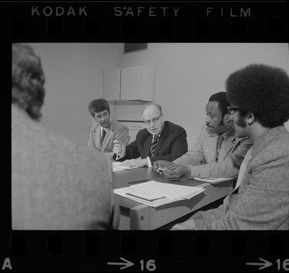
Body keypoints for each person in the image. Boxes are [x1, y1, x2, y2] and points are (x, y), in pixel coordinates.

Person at [12, 43, 119, 230]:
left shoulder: (120, 129)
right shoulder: (94, 155)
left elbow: (120, 152)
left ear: (109, 113)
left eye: (104, 114)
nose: (102, 119)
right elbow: (92, 152)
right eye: (98, 116)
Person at [171, 64, 289, 230]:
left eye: (232, 110)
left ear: (249, 116)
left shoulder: (278, 157)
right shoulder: (263, 148)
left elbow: (238, 225)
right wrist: (193, 222)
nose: (230, 117)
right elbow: (233, 209)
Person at [153, 92, 252, 180]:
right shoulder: (206, 130)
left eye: (212, 116)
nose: (207, 120)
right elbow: (194, 155)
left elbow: (230, 168)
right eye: (207, 115)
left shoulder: (244, 135)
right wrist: (173, 165)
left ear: (228, 117)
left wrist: (188, 171)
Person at [113, 104, 188, 168]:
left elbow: (178, 158)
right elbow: (132, 151)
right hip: (147, 178)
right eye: (148, 121)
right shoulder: (142, 135)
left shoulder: (176, 132)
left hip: (169, 178)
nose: (152, 125)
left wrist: (146, 161)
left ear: (162, 117)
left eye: (155, 120)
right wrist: (122, 152)